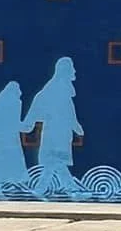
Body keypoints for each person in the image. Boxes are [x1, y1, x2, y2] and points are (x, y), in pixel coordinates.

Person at [23, 57, 84, 196]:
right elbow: (39, 107)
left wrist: (76, 126)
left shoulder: (62, 90)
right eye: (71, 68)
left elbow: (69, 112)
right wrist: (28, 124)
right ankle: (68, 189)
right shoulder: (55, 90)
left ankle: (44, 189)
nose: (74, 71)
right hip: (55, 133)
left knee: (55, 164)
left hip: (61, 133)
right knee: (55, 163)